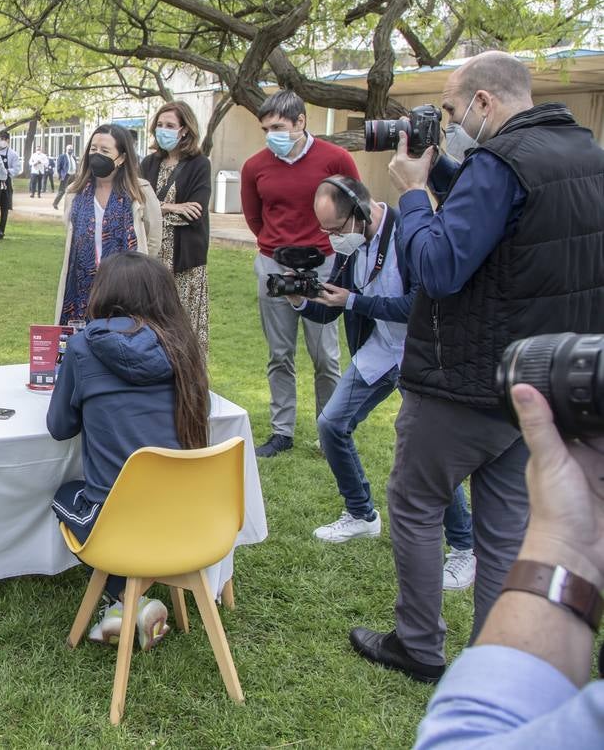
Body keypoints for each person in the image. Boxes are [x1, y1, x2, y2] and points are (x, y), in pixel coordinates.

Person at [350, 51, 604, 682]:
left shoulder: (502, 163)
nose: (448, 121)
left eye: (449, 109)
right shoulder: (587, 157)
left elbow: (439, 266)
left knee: (414, 503)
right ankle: (495, 655)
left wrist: (412, 193)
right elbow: (514, 241)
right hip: (545, 381)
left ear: (484, 103)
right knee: (505, 525)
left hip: (465, 381)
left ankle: (419, 644)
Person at [290, 177, 477, 589]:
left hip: (422, 352)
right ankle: (361, 514)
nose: (332, 239)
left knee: (431, 452)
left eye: (336, 229)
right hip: (379, 349)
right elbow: (331, 309)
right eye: (325, 231)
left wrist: (353, 300)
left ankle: (466, 548)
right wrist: (301, 300)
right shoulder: (353, 246)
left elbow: (419, 304)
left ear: (360, 211)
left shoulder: (408, 233)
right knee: (331, 424)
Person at [413, 384, 604, 747]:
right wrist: (574, 543)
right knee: (501, 533)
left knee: (416, 504)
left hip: (457, 389)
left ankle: (417, 645)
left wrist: (563, 543)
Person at [48, 251, 209, 648]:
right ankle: (125, 606)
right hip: (192, 520)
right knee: (123, 504)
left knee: (64, 495)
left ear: (102, 293)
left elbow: (59, 427)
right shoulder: (185, 349)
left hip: (118, 525)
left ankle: (122, 601)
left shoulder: (84, 347)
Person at [240, 91, 359, 458]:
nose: (271, 134)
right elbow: (254, 216)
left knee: (325, 355)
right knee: (280, 354)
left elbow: (356, 206)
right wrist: (275, 249)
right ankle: (282, 431)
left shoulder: (335, 159)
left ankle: (330, 430)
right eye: (265, 128)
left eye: (278, 126)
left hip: (322, 263)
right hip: (274, 263)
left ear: (300, 122)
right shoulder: (255, 166)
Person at [55, 124, 162, 324]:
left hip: (126, 285)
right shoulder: (75, 191)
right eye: (93, 149)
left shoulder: (140, 192)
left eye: (105, 151)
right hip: (80, 286)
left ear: (121, 158)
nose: (96, 155)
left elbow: (154, 239)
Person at [139, 101, 212, 361]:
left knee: (184, 327)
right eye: (159, 125)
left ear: (184, 130)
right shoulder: (148, 163)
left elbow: (194, 213)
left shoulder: (199, 165)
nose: (163, 130)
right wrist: (171, 207)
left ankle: (189, 385)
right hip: (151, 258)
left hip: (184, 263)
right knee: (151, 325)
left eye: (170, 125)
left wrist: (157, 210)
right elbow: (136, 206)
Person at [0, 131, 21, 237]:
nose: (2, 142)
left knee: (4, 207)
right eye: (0, 139)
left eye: (4, 139)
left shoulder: (13, 154)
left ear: (8, 140)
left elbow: (17, 169)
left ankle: (1, 230)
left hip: (6, 182)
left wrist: (6, 171)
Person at [51, 143, 76, 209]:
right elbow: (58, 167)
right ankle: (55, 203)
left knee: (73, 191)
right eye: (69, 149)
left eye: (71, 149)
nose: (70, 150)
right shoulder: (62, 156)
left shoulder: (73, 157)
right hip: (65, 176)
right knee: (62, 191)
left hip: (73, 176)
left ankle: (71, 206)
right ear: (66, 149)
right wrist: (60, 175)